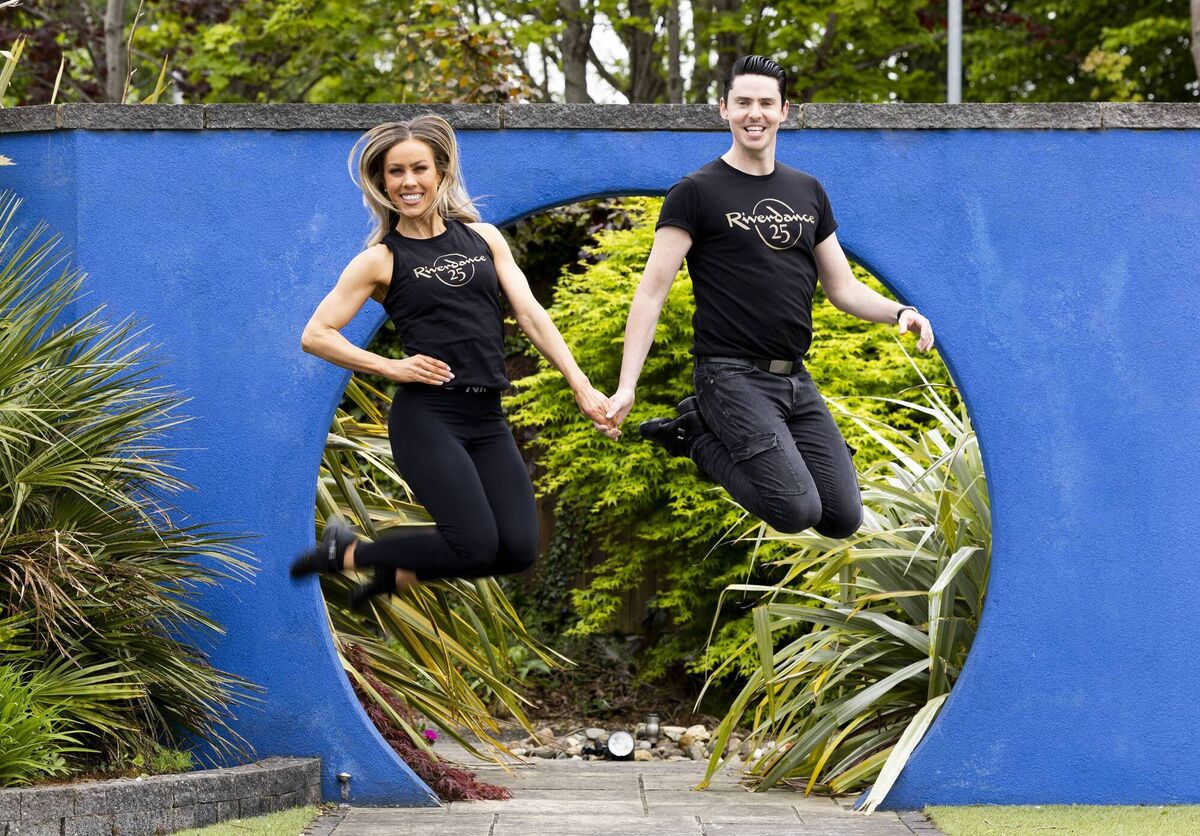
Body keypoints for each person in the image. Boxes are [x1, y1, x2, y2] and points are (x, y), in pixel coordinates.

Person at [603, 55, 935, 538]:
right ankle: (694, 433)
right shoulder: (695, 192)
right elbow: (652, 293)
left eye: (765, 103)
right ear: (723, 109)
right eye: (742, 103)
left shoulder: (808, 191)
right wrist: (627, 384)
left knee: (842, 518)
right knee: (796, 510)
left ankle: (710, 431)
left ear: (784, 111)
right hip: (728, 374)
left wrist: (900, 311)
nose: (753, 113)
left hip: (794, 378)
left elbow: (841, 289)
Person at [291, 115, 613, 605]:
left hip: (486, 416)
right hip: (428, 417)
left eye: (418, 168)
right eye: (395, 172)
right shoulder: (380, 259)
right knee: (475, 544)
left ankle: (398, 571)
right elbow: (315, 335)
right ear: (383, 183)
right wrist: (391, 367)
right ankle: (349, 552)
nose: (408, 182)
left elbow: (530, 314)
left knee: (519, 549)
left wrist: (581, 385)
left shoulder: (485, 239)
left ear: (440, 172)